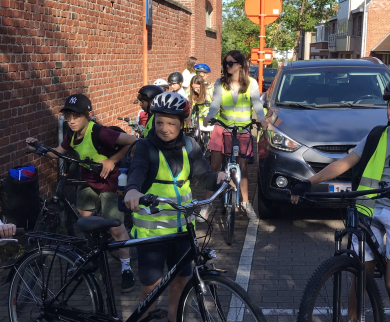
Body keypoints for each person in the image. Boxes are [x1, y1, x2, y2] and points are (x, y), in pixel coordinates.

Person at [291, 78, 390, 322]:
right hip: (369, 210)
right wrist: (310, 182)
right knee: (359, 276)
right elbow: (344, 163)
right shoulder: (376, 135)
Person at [123, 91, 229, 322]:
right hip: (152, 232)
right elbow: (137, 173)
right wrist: (132, 190)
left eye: (171, 123)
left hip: (182, 230)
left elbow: (204, 175)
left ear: (183, 123)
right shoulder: (145, 147)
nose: (164, 128)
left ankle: (174, 318)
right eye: (159, 122)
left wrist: (219, 178)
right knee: (151, 287)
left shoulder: (190, 146)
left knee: (181, 281)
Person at [26, 94, 138, 293]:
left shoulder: (100, 132)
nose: (72, 121)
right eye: (68, 117)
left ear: (89, 115)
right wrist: (39, 148)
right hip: (88, 181)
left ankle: (126, 269)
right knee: (85, 222)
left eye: (76, 116)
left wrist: (112, 160)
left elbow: (132, 141)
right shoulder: (72, 135)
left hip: (109, 184)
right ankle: (96, 252)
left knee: (116, 228)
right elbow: (59, 151)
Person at [202, 50, 268, 220]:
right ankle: (207, 203)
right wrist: (210, 116)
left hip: (243, 129)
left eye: (231, 63)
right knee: (214, 166)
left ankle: (245, 203)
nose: (227, 66)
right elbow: (216, 103)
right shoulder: (220, 83)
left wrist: (262, 119)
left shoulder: (251, 83)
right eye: (225, 63)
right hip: (222, 127)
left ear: (240, 65)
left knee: (243, 168)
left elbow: (257, 104)